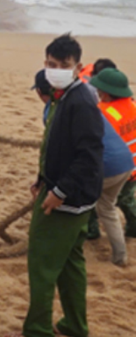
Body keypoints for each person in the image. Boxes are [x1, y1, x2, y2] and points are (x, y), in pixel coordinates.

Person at [6, 34, 103, 337]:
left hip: (68, 198)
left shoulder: (82, 101)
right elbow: (55, 146)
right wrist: (42, 179)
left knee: (42, 265)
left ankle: (37, 329)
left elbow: (88, 157)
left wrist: (58, 192)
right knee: (71, 264)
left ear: (77, 67)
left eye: (64, 64)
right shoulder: (62, 96)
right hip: (67, 192)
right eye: (51, 63)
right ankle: (75, 325)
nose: (56, 69)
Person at [35, 70, 133, 266]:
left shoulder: (54, 110)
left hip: (104, 166)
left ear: (39, 92)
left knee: (72, 200)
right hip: (126, 163)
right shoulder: (83, 102)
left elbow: (59, 153)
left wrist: (47, 183)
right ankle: (120, 256)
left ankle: (71, 243)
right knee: (107, 208)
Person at [90, 68, 136, 240]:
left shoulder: (105, 113)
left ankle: (92, 231)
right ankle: (134, 227)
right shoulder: (132, 105)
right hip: (132, 166)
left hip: (115, 168)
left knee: (94, 200)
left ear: (107, 93)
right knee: (127, 200)